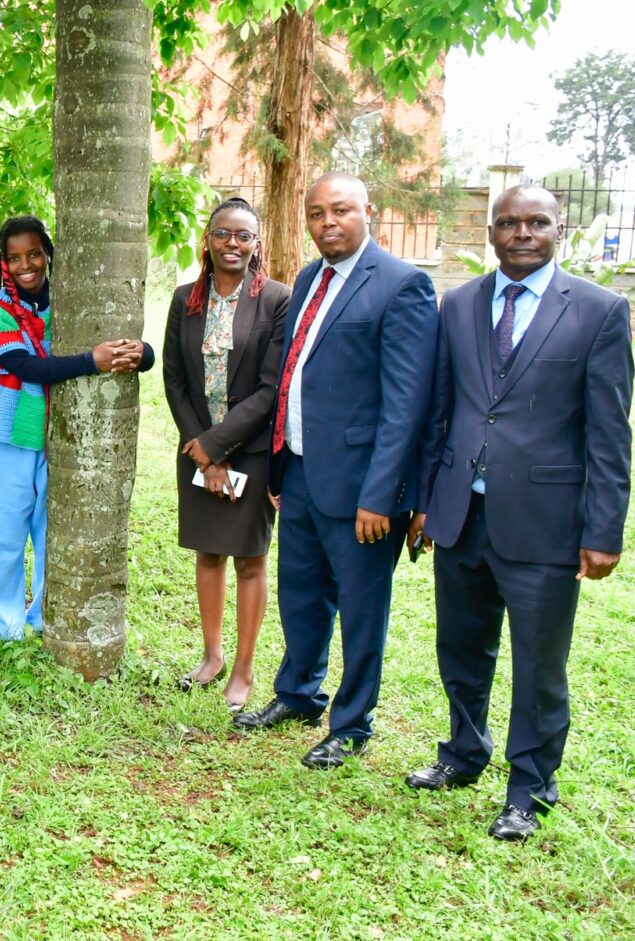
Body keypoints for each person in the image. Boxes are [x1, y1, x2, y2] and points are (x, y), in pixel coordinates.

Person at [406, 185, 632, 841]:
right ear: (491, 231)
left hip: (545, 521)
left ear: (560, 228)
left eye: (537, 222)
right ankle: (462, 753)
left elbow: (609, 434)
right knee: (460, 647)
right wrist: (424, 498)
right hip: (460, 514)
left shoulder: (598, 310)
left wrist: (604, 529)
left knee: (538, 666)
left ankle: (529, 790)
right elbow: (441, 409)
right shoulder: (460, 302)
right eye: (508, 222)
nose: (522, 232)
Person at [232, 172, 437, 771]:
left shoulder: (403, 285)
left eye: (340, 210)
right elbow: (294, 376)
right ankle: (298, 694)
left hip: (361, 488)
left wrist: (382, 496)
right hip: (297, 472)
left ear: (368, 212)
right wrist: (278, 465)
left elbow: (406, 403)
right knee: (300, 594)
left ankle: (351, 724)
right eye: (316, 213)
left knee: (361, 607)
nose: (328, 223)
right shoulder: (308, 278)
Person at [0, 215, 150, 644]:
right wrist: (93, 361)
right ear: (1, 262)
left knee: (54, 539)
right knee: (3, 540)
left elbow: (118, 346)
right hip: (6, 442)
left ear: (49, 254)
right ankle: (5, 632)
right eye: (14, 257)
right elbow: (29, 367)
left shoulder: (69, 306)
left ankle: (40, 620)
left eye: (34, 253)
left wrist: (143, 354)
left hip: (57, 443)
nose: (25, 264)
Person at [161, 198, 290, 711]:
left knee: (250, 560)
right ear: (207, 239)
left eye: (243, 235)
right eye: (222, 234)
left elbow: (270, 387)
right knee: (208, 552)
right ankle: (211, 657)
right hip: (196, 450)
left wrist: (219, 447)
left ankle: (243, 669)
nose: (232, 243)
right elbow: (173, 378)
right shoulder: (183, 299)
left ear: (256, 244)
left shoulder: (277, 300)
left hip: (251, 452)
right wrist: (202, 451)